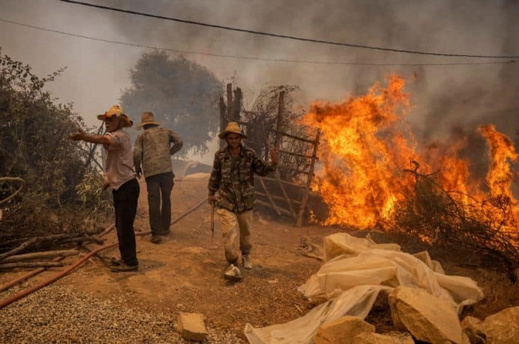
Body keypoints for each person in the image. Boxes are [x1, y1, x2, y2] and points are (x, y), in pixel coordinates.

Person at [69, 105, 139, 272]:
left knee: (125, 226)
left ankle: (130, 262)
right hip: (122, 185)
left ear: (121, 122)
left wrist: (85, 137)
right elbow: (117, 162)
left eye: (111, 119)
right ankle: (126, 259)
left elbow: (105, 140)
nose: (107, 122)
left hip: (127, 187)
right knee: (120, 225)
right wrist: (108, 179)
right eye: (106, 119)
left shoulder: (119, 135)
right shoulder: (117, 136)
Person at [208, 122, 278, 281]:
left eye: (236, 138)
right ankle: (233, 262)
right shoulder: (220, 155)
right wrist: (211, 192)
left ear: (240, 138)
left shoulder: (250, 154)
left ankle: (246, 255)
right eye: (230, 138)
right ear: (226, 139)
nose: (233, 140)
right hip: (226, 200)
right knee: (229, 233)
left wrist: (273, 163)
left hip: (245, 201)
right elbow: (215, 175)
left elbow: (262, 170)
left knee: (246, 232)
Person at [133, 111, 183, 244]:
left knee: (154, 201)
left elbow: (137, 154)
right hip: (167, 171)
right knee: (166, 198)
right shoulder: (166, 131)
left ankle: (156, 234)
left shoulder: (142, 136)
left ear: (144, 125)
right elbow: (179, 141)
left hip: (151, 174)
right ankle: (165, 229)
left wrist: (137, 168)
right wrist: (169, 153)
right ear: (154, 123)